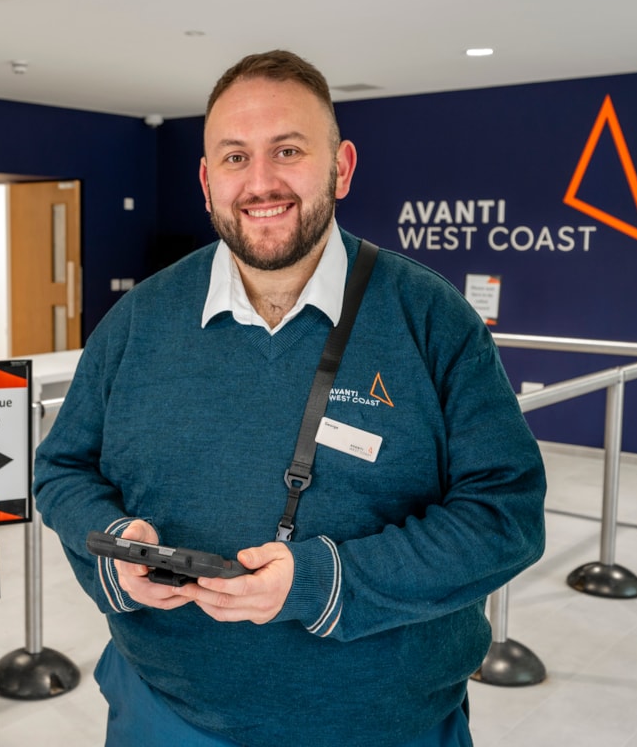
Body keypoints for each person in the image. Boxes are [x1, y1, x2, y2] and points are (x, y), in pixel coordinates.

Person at [33, 49, 546, 747]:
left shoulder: (431, 318)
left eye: (289, 150)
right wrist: (117, 548)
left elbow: (504, 516)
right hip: (164, 710)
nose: (262, 181)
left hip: (384, 723)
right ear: (207, 181)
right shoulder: (139, 320)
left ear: (341, 167)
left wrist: (324, 580)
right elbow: (62, 470)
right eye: (236, 157)